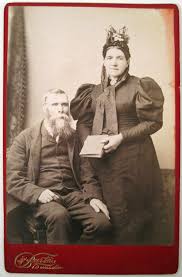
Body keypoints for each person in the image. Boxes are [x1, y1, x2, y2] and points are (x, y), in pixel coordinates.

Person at [70, 26, 165, 244]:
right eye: (109, 57)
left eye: (120, 58)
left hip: (135, 161)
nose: (114, 62)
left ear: (128, 61)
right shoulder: (93, 92)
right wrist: (90, 143)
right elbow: (83, 122)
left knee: (134, 220)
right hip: (103, 164)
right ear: (103, 61)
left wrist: (120, 137)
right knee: (111, 218)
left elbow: (153, 122)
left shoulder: (139, 86)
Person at [6, 88, 111, 244]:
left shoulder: (75, 137)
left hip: (73, 195)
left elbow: (87, 173)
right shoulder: (25, 138)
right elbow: (12, 177)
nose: (61, 109)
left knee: (102, 224)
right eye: (55, 104)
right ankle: (60, 263)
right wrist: (38, 193)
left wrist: (94, 197)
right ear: (45, 108)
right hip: (44, 197)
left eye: (64, 104)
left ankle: (75, 260)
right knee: (59, 216)